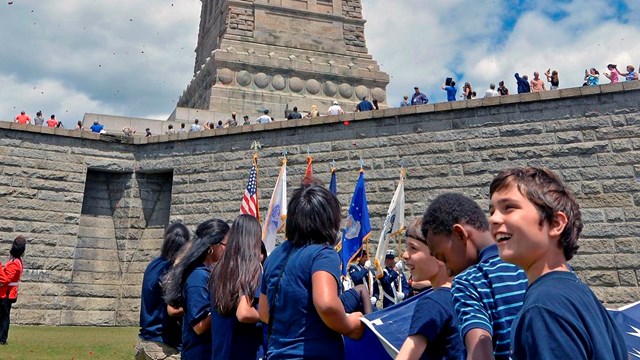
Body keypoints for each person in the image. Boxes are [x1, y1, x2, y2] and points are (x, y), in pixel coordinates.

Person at [489, 167, 628, 360]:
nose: (493, 219)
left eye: (509, 207)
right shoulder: (578, 294)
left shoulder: (544, 307)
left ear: (555, 223)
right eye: (492, 210)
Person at [258, 184, 364, 359]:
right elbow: (327, 304)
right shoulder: (323, 255)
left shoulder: (274, 256)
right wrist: (349, 325)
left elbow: (263, 312)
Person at [422, 193, 528, 360]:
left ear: (459, 234)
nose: (448, 271)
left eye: (443, 258)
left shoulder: (468, 282)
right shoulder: (533, 264)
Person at [162, 219, 230, 359]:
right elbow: (199, 326)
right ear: (212, 247)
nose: (228, 250)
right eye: (226, 245)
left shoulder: (205, 273)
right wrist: (226, 306)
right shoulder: (198, 277)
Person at [396, 219, 464, 360]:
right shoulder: (466, 296)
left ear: (439, 255)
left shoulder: (432, 303)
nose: (405, 255)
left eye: (413, 248)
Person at [210, 214, 264, 359]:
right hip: (244, 351)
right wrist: (268, 316)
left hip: (221, 352)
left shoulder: (218, 269)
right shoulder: (250, 268)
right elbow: (244, 312)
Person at [135, 223, 190, 360]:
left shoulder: (153, 264)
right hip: (163, 348)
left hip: (144, 343)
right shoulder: (172, 270)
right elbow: (173, 309)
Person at [0, 235, 26, 345]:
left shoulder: (15, 262)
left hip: (7, 292)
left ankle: (2, 339)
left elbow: (6, 279)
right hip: (7, 291)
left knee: (4, 317)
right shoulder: (16, 260)